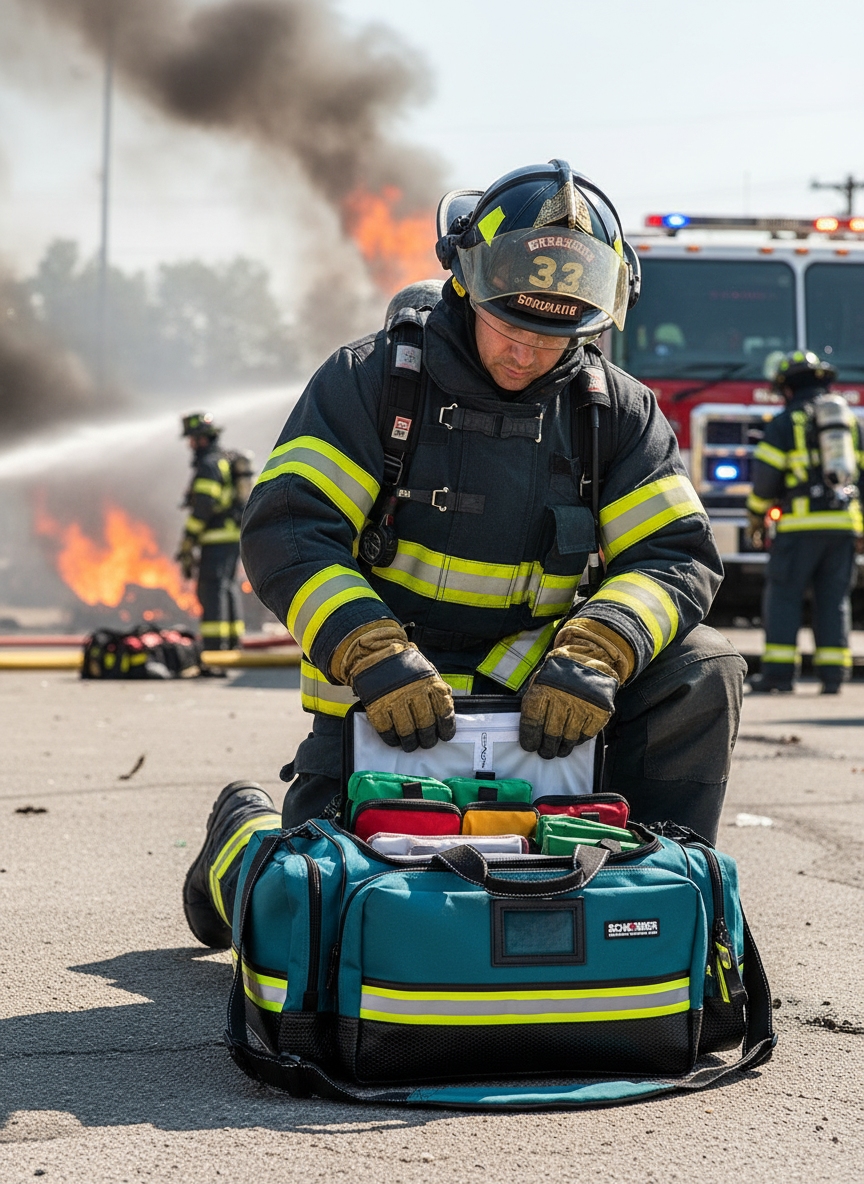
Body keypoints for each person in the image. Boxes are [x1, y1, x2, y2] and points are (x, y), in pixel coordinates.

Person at [182, 160, 746, 949]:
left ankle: (665, 906)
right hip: (384, 706)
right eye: (511, 326)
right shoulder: (372, 383)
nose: (526, 354)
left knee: (705, 666)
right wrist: (369, 649)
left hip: (544, 707)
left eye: (556, 336)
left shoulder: (612, 412)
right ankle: (239, 839)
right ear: (464, 285)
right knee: (314, 915)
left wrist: (600, 649)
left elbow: (675, 554)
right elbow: (288, 530)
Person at [746, 351, 862, 694]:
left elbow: (765, 482)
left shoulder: (785, 423)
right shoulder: (850, 425)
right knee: (835, 599)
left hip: (799, 528)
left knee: (784, 597)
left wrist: (755, 516)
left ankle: (779, 676)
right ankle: (833, 677)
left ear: (787, 389)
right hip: (843, 527)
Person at [177, 412, 246, 651]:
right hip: (231, 536)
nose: (190, 445)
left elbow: (204, 507)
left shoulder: (208, 465)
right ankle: (232, 642)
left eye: (192, 440)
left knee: (211, 588)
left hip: (217, 537)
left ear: (202, 439)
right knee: (226, 586)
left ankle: (215, 648)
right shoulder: (224, 460)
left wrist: (188, 539)